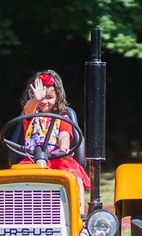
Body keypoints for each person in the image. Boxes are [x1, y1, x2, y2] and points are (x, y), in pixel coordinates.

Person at [17, 70, 91, 200]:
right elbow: (28, 109)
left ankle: (79, 216)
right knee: (18, 180)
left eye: (49, 97)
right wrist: (36, 99)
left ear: (57, 97)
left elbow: (64, 135)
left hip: (57, 159)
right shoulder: (29, 116)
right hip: (32, 160)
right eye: (41, 97)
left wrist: (64, 148)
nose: (44, 101)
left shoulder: (62, 118)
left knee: (75, 179)